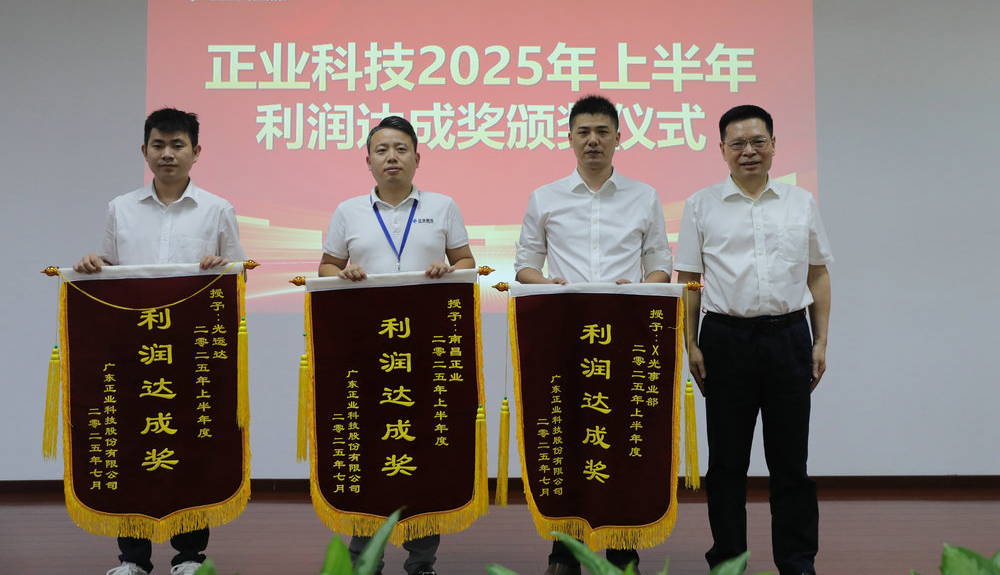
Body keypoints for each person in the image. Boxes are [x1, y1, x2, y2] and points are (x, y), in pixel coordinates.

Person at [74, 108, 245, 575]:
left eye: (177, 145)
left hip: (192, 354)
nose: (167, 154)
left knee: (192, 446)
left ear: (196, 151)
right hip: (134, 352)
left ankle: (189, 556)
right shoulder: (120, 208)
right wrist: (93, 265)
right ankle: (133, 558)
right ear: (144, 150)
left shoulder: (218, 209)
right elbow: (110, 272)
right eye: (158, 145)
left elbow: (238, 278)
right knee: (132, 445)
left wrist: (221, 267)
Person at [514, 94, 672, 575]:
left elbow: (660, 264)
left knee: (623, 437)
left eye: (603, 132)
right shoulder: (545, 197)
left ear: (619, 137)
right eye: (583, 132)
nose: (593, 141)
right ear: (569, 138)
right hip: (565, 337)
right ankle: (565, 551)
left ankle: (624, 550)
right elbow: (525, 266)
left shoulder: (644, 196)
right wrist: (548, 284)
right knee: (568, 438)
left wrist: (642, 287)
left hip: (625, 336)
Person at [674, 104, 832, 575]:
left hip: (789, 338)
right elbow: (689, 281)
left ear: (774, 145)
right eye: (738, 143)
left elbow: (818, 274)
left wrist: (820, 341)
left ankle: (798, 563)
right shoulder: (700, 205)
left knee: (791, 463)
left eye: (758, 141)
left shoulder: (800, 202)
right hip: (726, 341)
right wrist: (691, 344)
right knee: (727, 465)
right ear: (722, 149)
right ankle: (728, 562)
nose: (749, 151)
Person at [318, 115, 475, 575]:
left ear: (417, 159)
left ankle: (422, 562)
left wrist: (450, 269)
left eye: (401, 149)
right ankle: (363, 559)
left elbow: (467, 262)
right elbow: (326, 267)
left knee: (425, 449)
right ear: (368, 160)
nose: (392, 157)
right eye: (382, 149)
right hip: (368, 354)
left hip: (426, 354)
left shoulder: (442, 206)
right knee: (369, 450)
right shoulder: (349, 211)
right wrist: (342, 272)